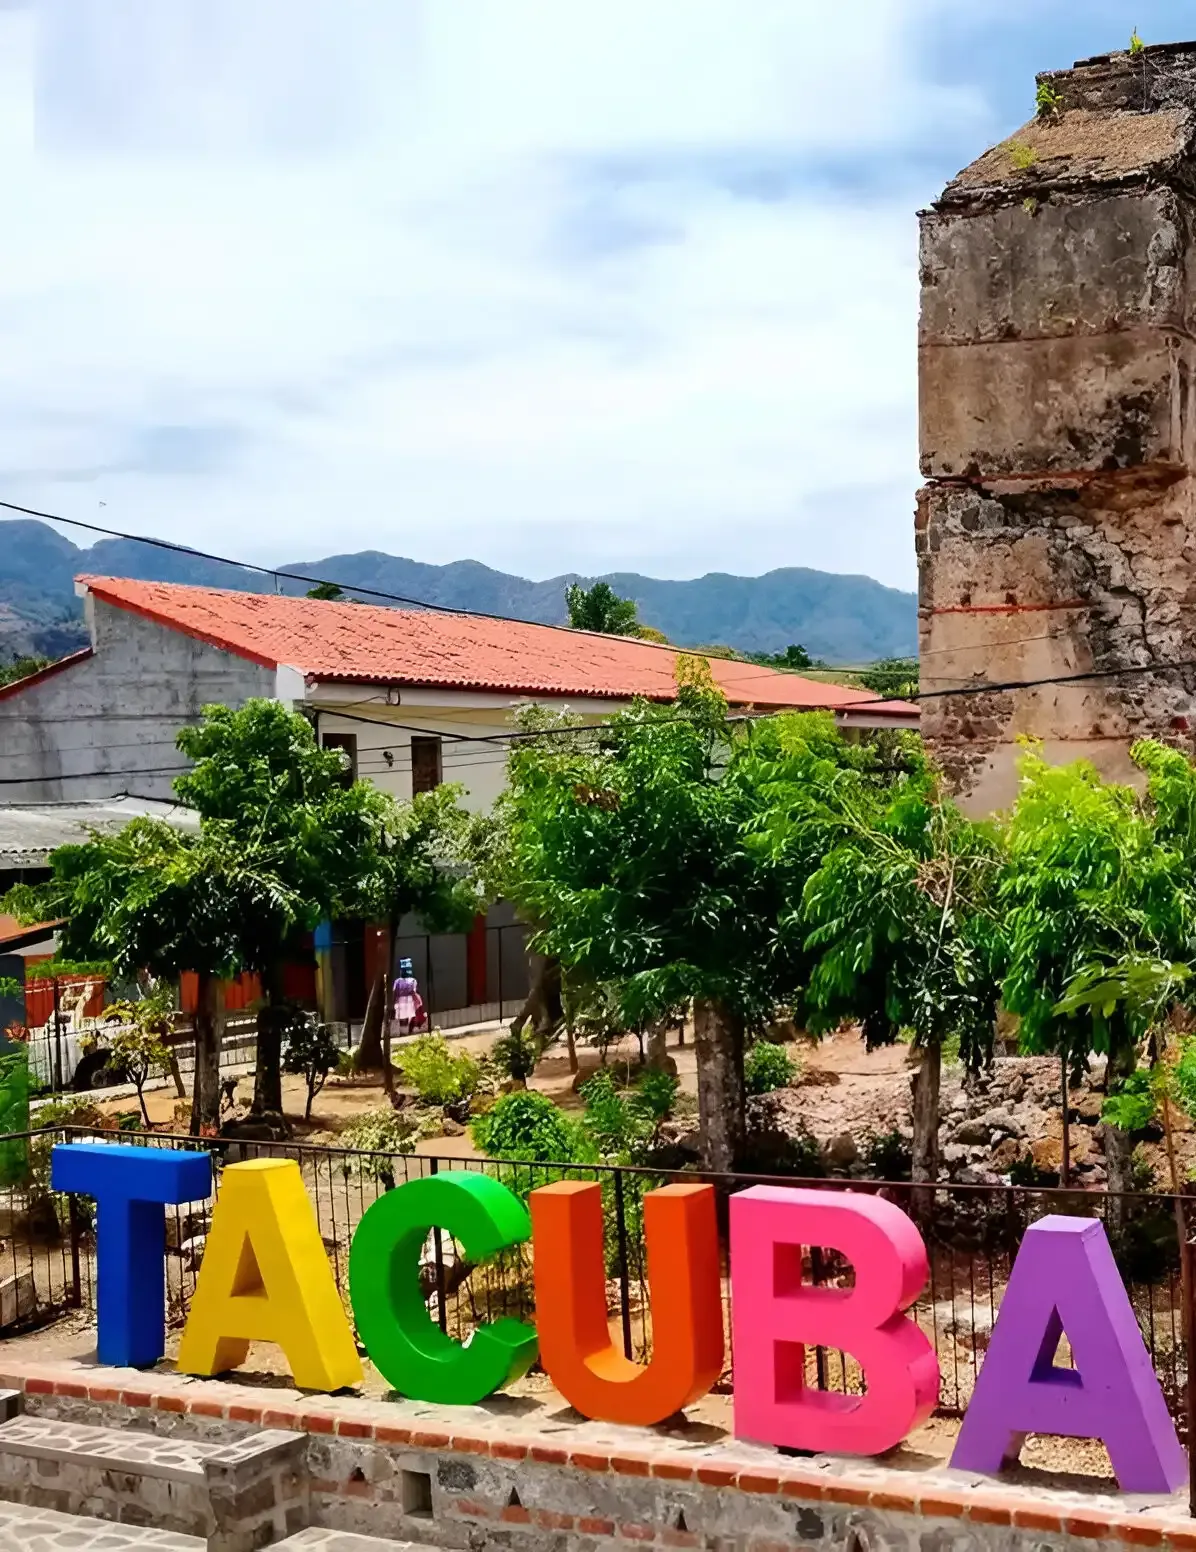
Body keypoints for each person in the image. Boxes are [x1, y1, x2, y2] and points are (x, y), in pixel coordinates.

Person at [392, 958, 425, 1036]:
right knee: (409, 1017)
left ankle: (403, 1033)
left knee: (403, 1019)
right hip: (408, 1001)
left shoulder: (397, 981)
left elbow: (395, 993)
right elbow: (413, 991)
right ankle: (408, 1033)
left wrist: (394, 1001)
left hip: (401, 1001)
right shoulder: (412, 980)